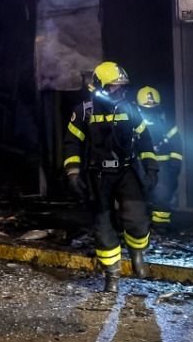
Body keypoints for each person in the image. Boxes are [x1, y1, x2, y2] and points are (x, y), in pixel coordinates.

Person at [62, 62, 156, 291]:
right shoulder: (84, 111)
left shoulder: (131, 109)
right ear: (100, 87)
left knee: (136, 218)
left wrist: (151, 167)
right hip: (98, 175)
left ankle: (137, 256)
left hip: (126, 171)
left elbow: (145, 141)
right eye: (115, 87)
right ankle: (112, 275)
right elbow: (72, 144)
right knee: (102, 225)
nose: (121, 91)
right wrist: (74, 173)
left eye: (123, 87)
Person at [134, 86, 184, 231]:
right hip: (139, 166)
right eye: (146, 109)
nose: (149, 111)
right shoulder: (132, 124)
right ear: (138, 107)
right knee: (136, 198)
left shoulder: (165, 125)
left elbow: (176, 145)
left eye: (152, 108)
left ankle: (160, 228)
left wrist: (175, 164)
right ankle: (140, 228)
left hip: (162, 168)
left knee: (162, 197)